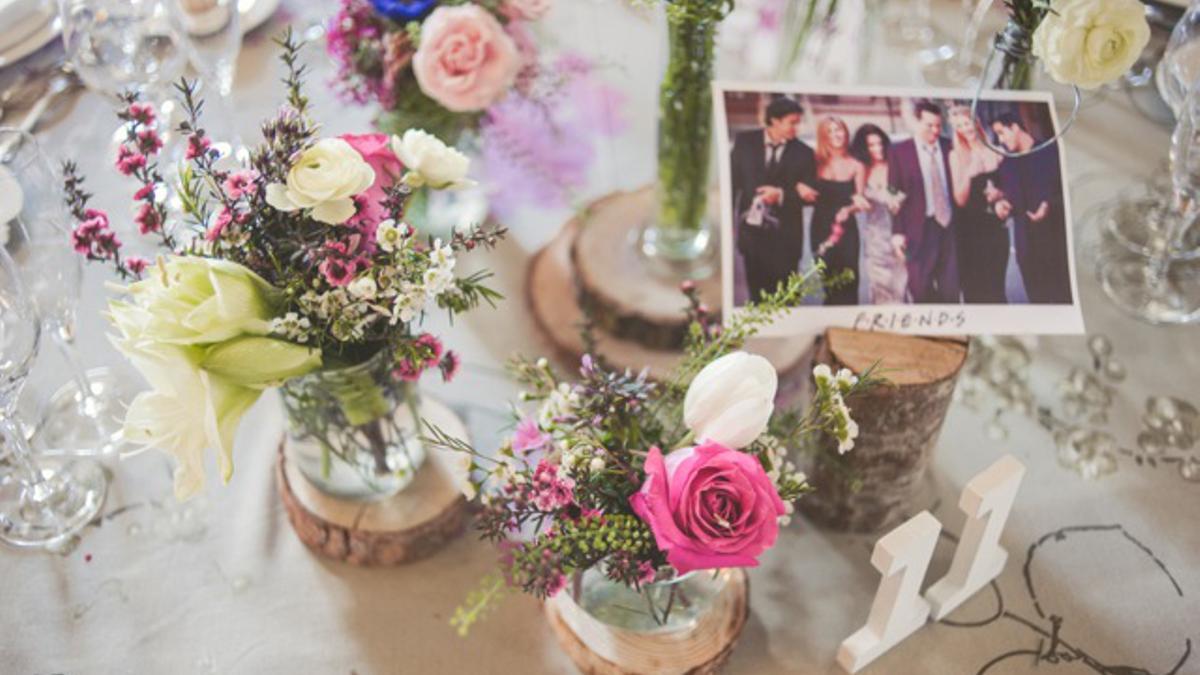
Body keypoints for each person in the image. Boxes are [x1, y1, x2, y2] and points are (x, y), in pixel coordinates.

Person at [731, 96, 817, 301]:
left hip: (786, 239)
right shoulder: (745, 142)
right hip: (752, 234)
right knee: (758, 296)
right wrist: (731, 224)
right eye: (792, 122)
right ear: (775, 121)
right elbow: (732, 184)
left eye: (799, 122)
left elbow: (811, 196)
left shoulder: (804, 153)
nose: (797, 128)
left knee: (786, 298)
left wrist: (781, 195)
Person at [992, 112, 1073, 304]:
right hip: (1026, 248)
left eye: (1002, 133)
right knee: (1038, 298)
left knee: (1061, 295)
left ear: (1015, 127)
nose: (1000, 140)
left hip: (1055, 242)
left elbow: (1068, 194)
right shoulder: (1006, 163)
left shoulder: (1051, 152)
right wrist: (1001, 204)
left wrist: (1048, 205)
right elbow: (1006, 197)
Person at [888, 100, 959, 303]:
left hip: (950, 228)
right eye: (930, 125)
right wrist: (897, 232)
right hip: (918, 229)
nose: (935, 130)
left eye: (938, 125)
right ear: (917, 123)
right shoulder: (899, 152)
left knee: (951, 289)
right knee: (920, 289)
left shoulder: (950, 147)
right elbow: (893, 193)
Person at [947, 105, 1008, 303]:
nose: (966, 128)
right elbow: (960, 200)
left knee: (996, 286)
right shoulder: (956, 157)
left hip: (995, 228)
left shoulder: (997, 152)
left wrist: (1000, 194)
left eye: (967, 122)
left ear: (976, 122)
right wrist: (969, 172)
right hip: (970, 232)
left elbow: (1009, 188)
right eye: (960, 125)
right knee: (975, 288)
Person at [810, 116, 869, 305]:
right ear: (823, 136)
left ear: (846, 132)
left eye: (839, 130)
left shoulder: (857, 165)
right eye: (830, 131)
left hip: (846, 230)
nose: (836, 135)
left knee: (848, 282)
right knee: (828, 283)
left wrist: (849, 209)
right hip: (820, 227)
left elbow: (860, 201)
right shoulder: (815, 162)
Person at [850, 123, 908, 304]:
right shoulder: (861, 170)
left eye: (880, 143)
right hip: (876, 236)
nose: (878, 149)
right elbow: (854, 197)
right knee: (880, 286)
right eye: (871, 145)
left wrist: (900, 200)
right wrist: (856, 199)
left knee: (903, 285)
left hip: (901, 231)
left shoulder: (896, 164)